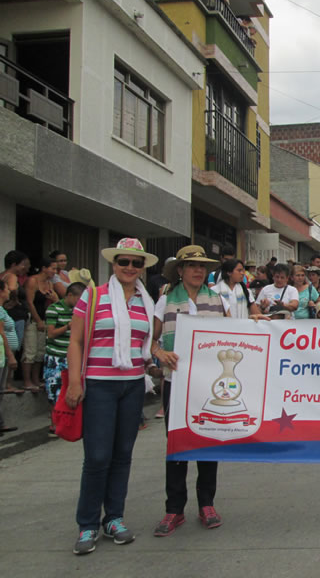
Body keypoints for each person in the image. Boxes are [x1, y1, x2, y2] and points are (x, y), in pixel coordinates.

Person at [67, 238, 158, 555]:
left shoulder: (147, 302)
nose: (130, 268)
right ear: (113, 264)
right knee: (97, 457)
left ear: (142, 268)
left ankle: (114, 518)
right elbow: (76, 341)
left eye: (136, 263)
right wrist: (75, 383)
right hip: (99, 385)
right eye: (124, 262)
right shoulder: (93, 297)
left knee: (122, 454)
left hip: (133, 385)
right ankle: (88, 524)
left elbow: (147, 344)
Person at [150, 245, 230, 538]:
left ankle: (206, 503)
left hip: (210, 385)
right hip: (177, 383)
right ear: (180, 270)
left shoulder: (218, 300)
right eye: (191, 265)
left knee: (208, 442)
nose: (198, 270)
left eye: (202, 266)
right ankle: (174, 508)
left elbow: (234, 333)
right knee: (178, 445)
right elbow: (152, 340)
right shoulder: (165, 302)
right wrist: (160, 354)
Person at [44, 281, 86, 435]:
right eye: (79, 299)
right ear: (70, 295)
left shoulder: (81, 311)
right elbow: (51, 333)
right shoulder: (54, 309)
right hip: (56, 356)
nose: (81, 303)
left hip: (75, 357)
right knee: (54, 391)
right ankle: (55, 425)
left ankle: (72, 424)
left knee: (75, 391)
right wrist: (68, 326)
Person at [23, 257, 59, 391]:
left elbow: (55, 302)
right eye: (53, 268)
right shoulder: (33, 281)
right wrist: (37, 320)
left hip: (45, 320)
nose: (55, 272)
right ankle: (26, 380)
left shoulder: (50, 284)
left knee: (40, 351)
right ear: (44, 268)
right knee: (30, 350)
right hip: (33, 320)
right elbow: (29, 302)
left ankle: (36, 379)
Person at [0, 278, 20, 433]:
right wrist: (10, 355)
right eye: (6, 289)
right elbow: (1, 333)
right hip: (2, 354)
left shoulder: (2, 308)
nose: (9, 291)